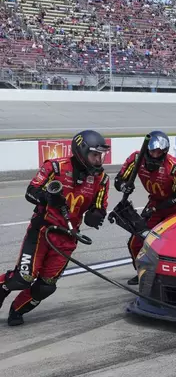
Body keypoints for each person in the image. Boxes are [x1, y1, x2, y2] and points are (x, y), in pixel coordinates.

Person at [0, 130, 111, 326]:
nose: (98, 160)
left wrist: (97, 215)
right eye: (95, 155)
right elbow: (31, 192)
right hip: (42, 230)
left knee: (46, 286)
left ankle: (17, 310)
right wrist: (47, 197)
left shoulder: (101, 179)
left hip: (68, 237)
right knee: (23, 277)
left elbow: (100, 207)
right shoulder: (55, 167)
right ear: (82, 152)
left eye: (100, 156)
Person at [114, 131, 176, 286]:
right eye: (152, 151)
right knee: (135, 242)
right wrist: (124, 186)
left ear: (165, 152)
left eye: (159, 152)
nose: (155, 155)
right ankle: (142, 273)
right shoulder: (136, 159)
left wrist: (156, 210)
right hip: (154, 203)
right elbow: (118, 180)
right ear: (147, 150)